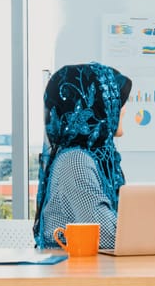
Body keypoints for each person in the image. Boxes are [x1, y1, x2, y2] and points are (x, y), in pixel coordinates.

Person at [33, 62, 132, 249]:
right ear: (100, 106)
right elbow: (107, 236)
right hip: (72, 275)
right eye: (119, 101)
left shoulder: (97, 158)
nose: (124, 109)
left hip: (90, 271)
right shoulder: (75, 161)